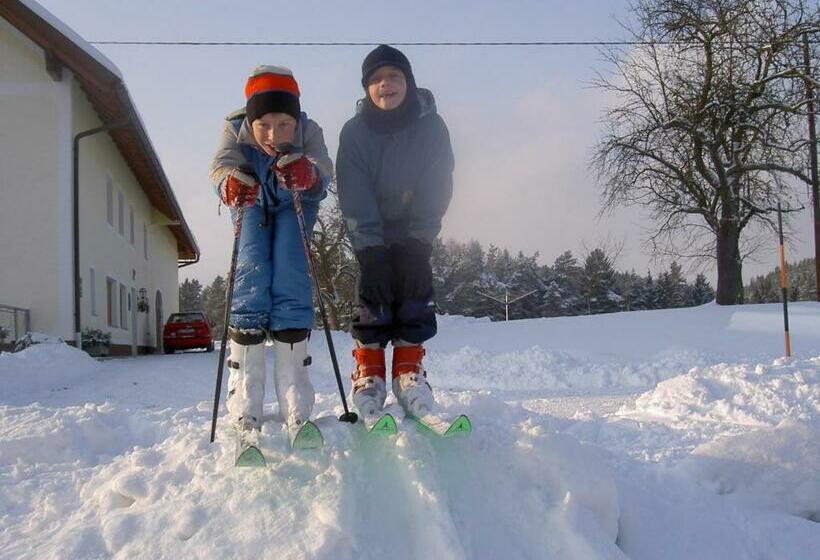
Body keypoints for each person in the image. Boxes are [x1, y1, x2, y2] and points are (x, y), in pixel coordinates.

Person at [209, 65, 332, 432]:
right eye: (263, 124)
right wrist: (229, 184)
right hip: (251, 203)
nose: (273, 134)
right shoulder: (234, 129)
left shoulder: (310, 130)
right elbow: (220, 167)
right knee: (251, 274)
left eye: (283, 125)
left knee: (290, 274)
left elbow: (324, 165)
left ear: (295, 120)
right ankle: (244, 389)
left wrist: (309, 173)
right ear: (251, 119)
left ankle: (294, 386)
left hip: (295, 200)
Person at [336, 45, 454, 418]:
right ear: (367, 88)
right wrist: (370, 251)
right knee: (372, 297)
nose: (385, 85)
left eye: (394, 77)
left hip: (414, 231)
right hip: (372, 232)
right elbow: (353, 192)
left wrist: (419, 243)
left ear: (409, 81)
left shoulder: (431, 126)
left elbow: (437, 183)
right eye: (376, 80)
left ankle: (408, 370)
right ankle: (369, 373)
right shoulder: (354, 133)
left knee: (415, 294)